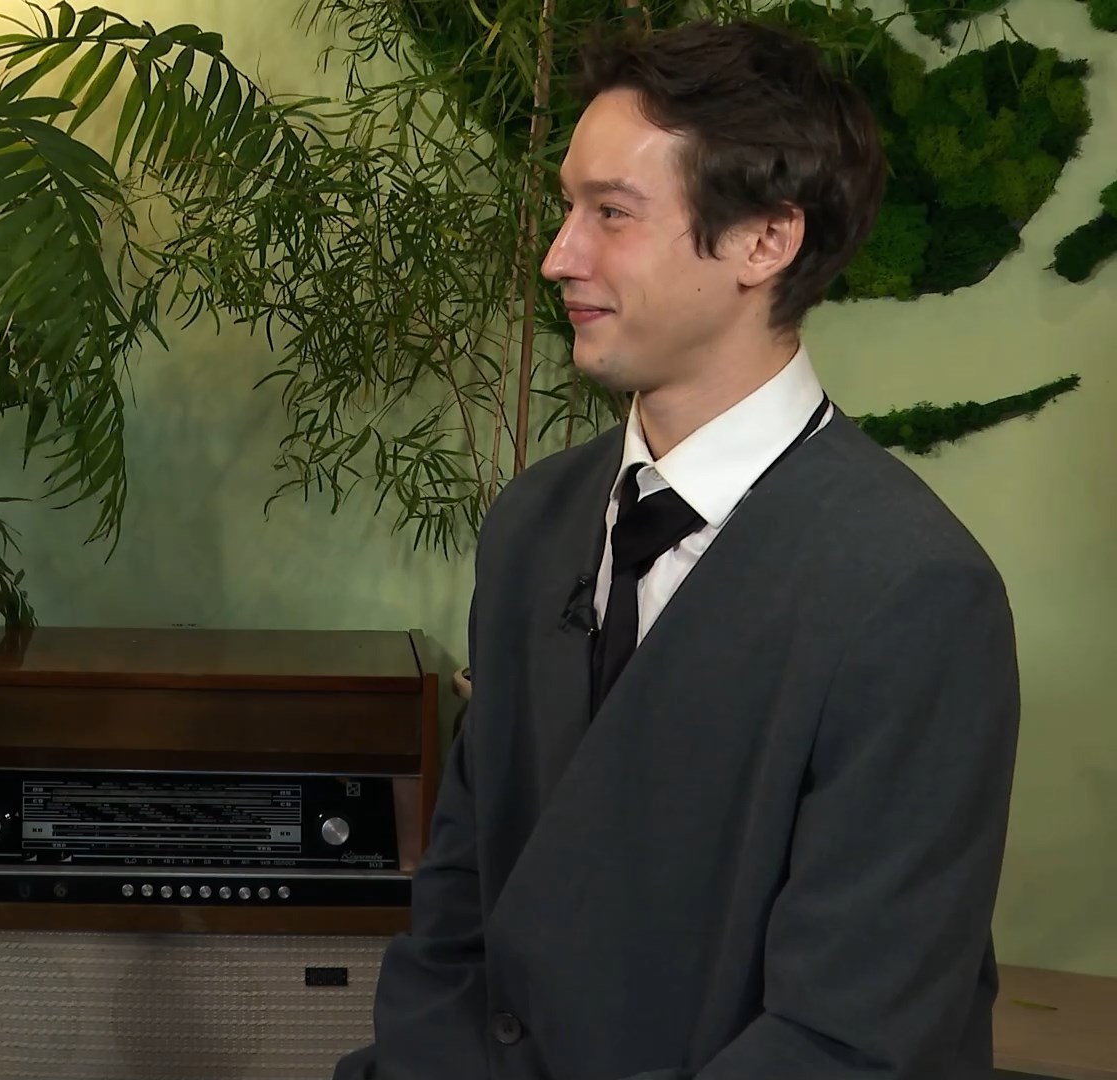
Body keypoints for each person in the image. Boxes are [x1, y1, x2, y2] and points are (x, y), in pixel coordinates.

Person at [335, 18, 1019, 1080]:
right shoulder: (532, 524)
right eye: (568, 207)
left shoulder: (917, 594)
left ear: (765, 240)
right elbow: (459, 911)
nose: (559, 255)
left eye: (611, 213)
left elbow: (850, 1042)